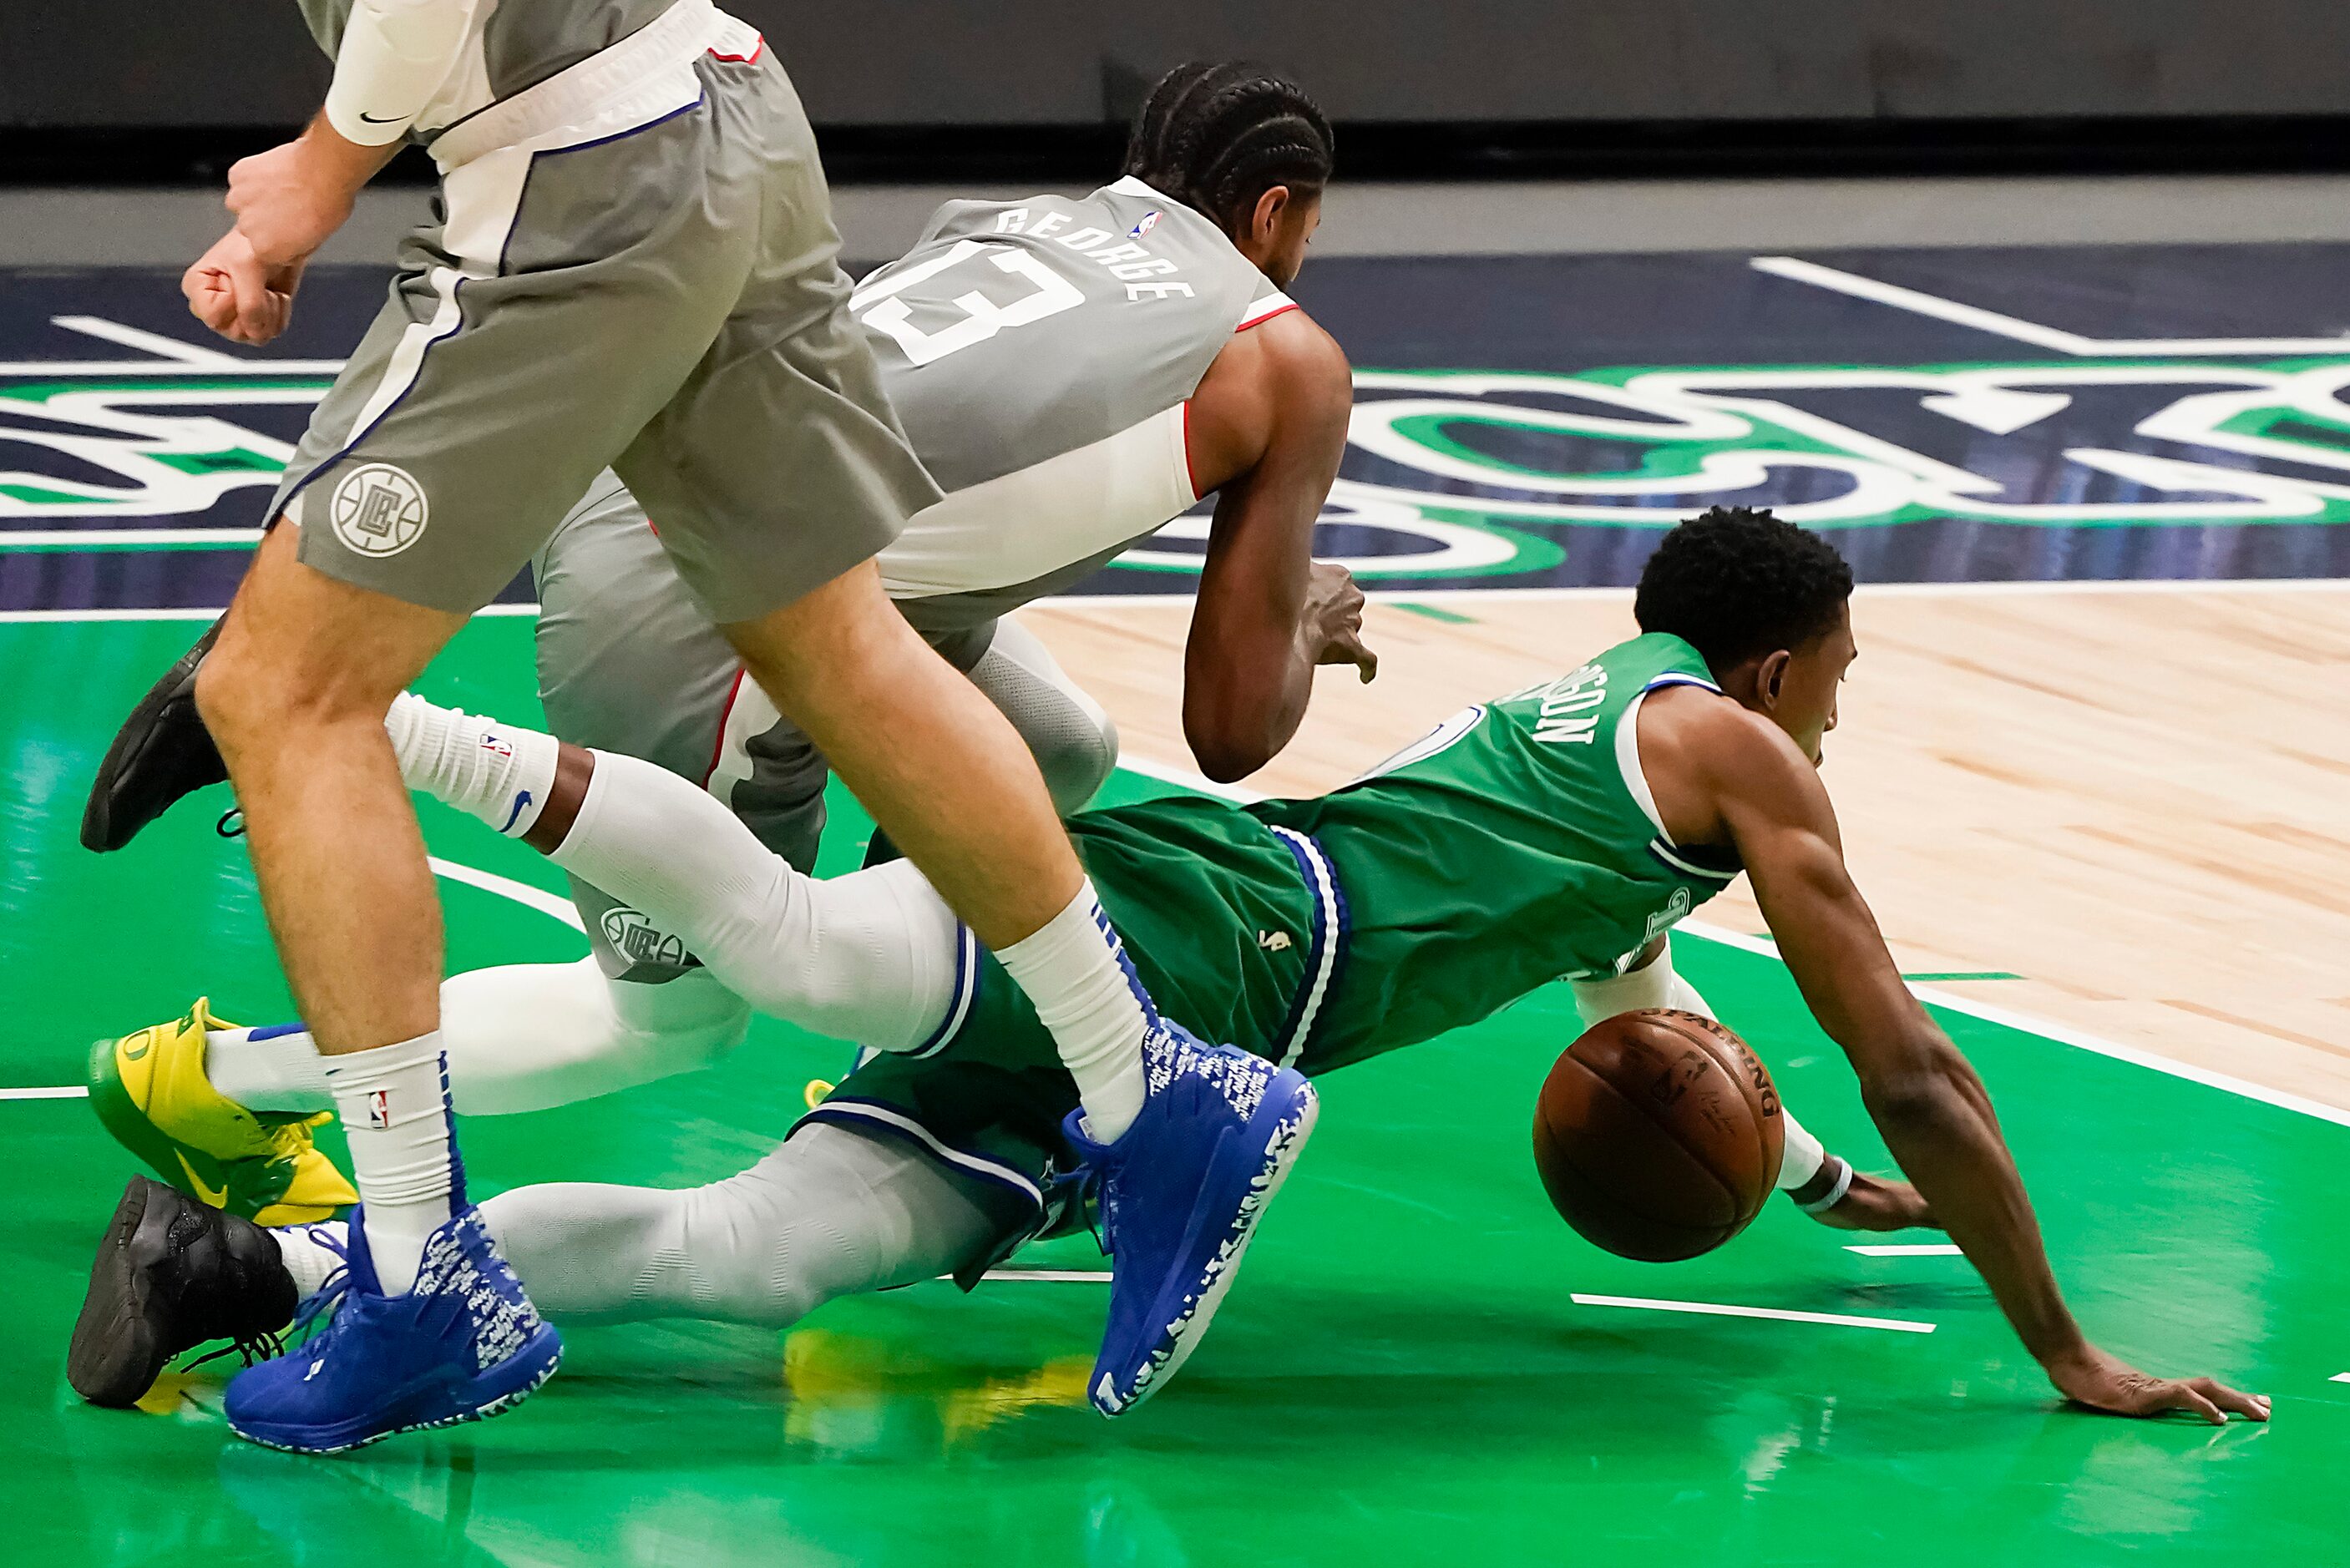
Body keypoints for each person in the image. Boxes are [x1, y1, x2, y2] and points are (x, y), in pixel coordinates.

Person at [71, 508, 2270, 1425]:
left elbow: (1644, 1014)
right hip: (1207, 924)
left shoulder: (1616, 746)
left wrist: (1802, 1184)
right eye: (1842, 673)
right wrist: (2056, 1338)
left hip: (1199, 976)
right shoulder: (1731, 746)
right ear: (1778, 658)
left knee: (744, 1250)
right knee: (799, 939)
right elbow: (1911, 1063)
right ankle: (354, 711)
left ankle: (234, 1265)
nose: (1838, 713)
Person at [80, 12, 1314, 1449]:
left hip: (579, 173)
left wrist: (320, 166)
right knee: (857, 645)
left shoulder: (1039, 229)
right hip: (727, 104)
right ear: (1280, 213)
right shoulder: (1233, 323)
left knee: (295, 701)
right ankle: (1149, 1083)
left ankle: (405, 1265)